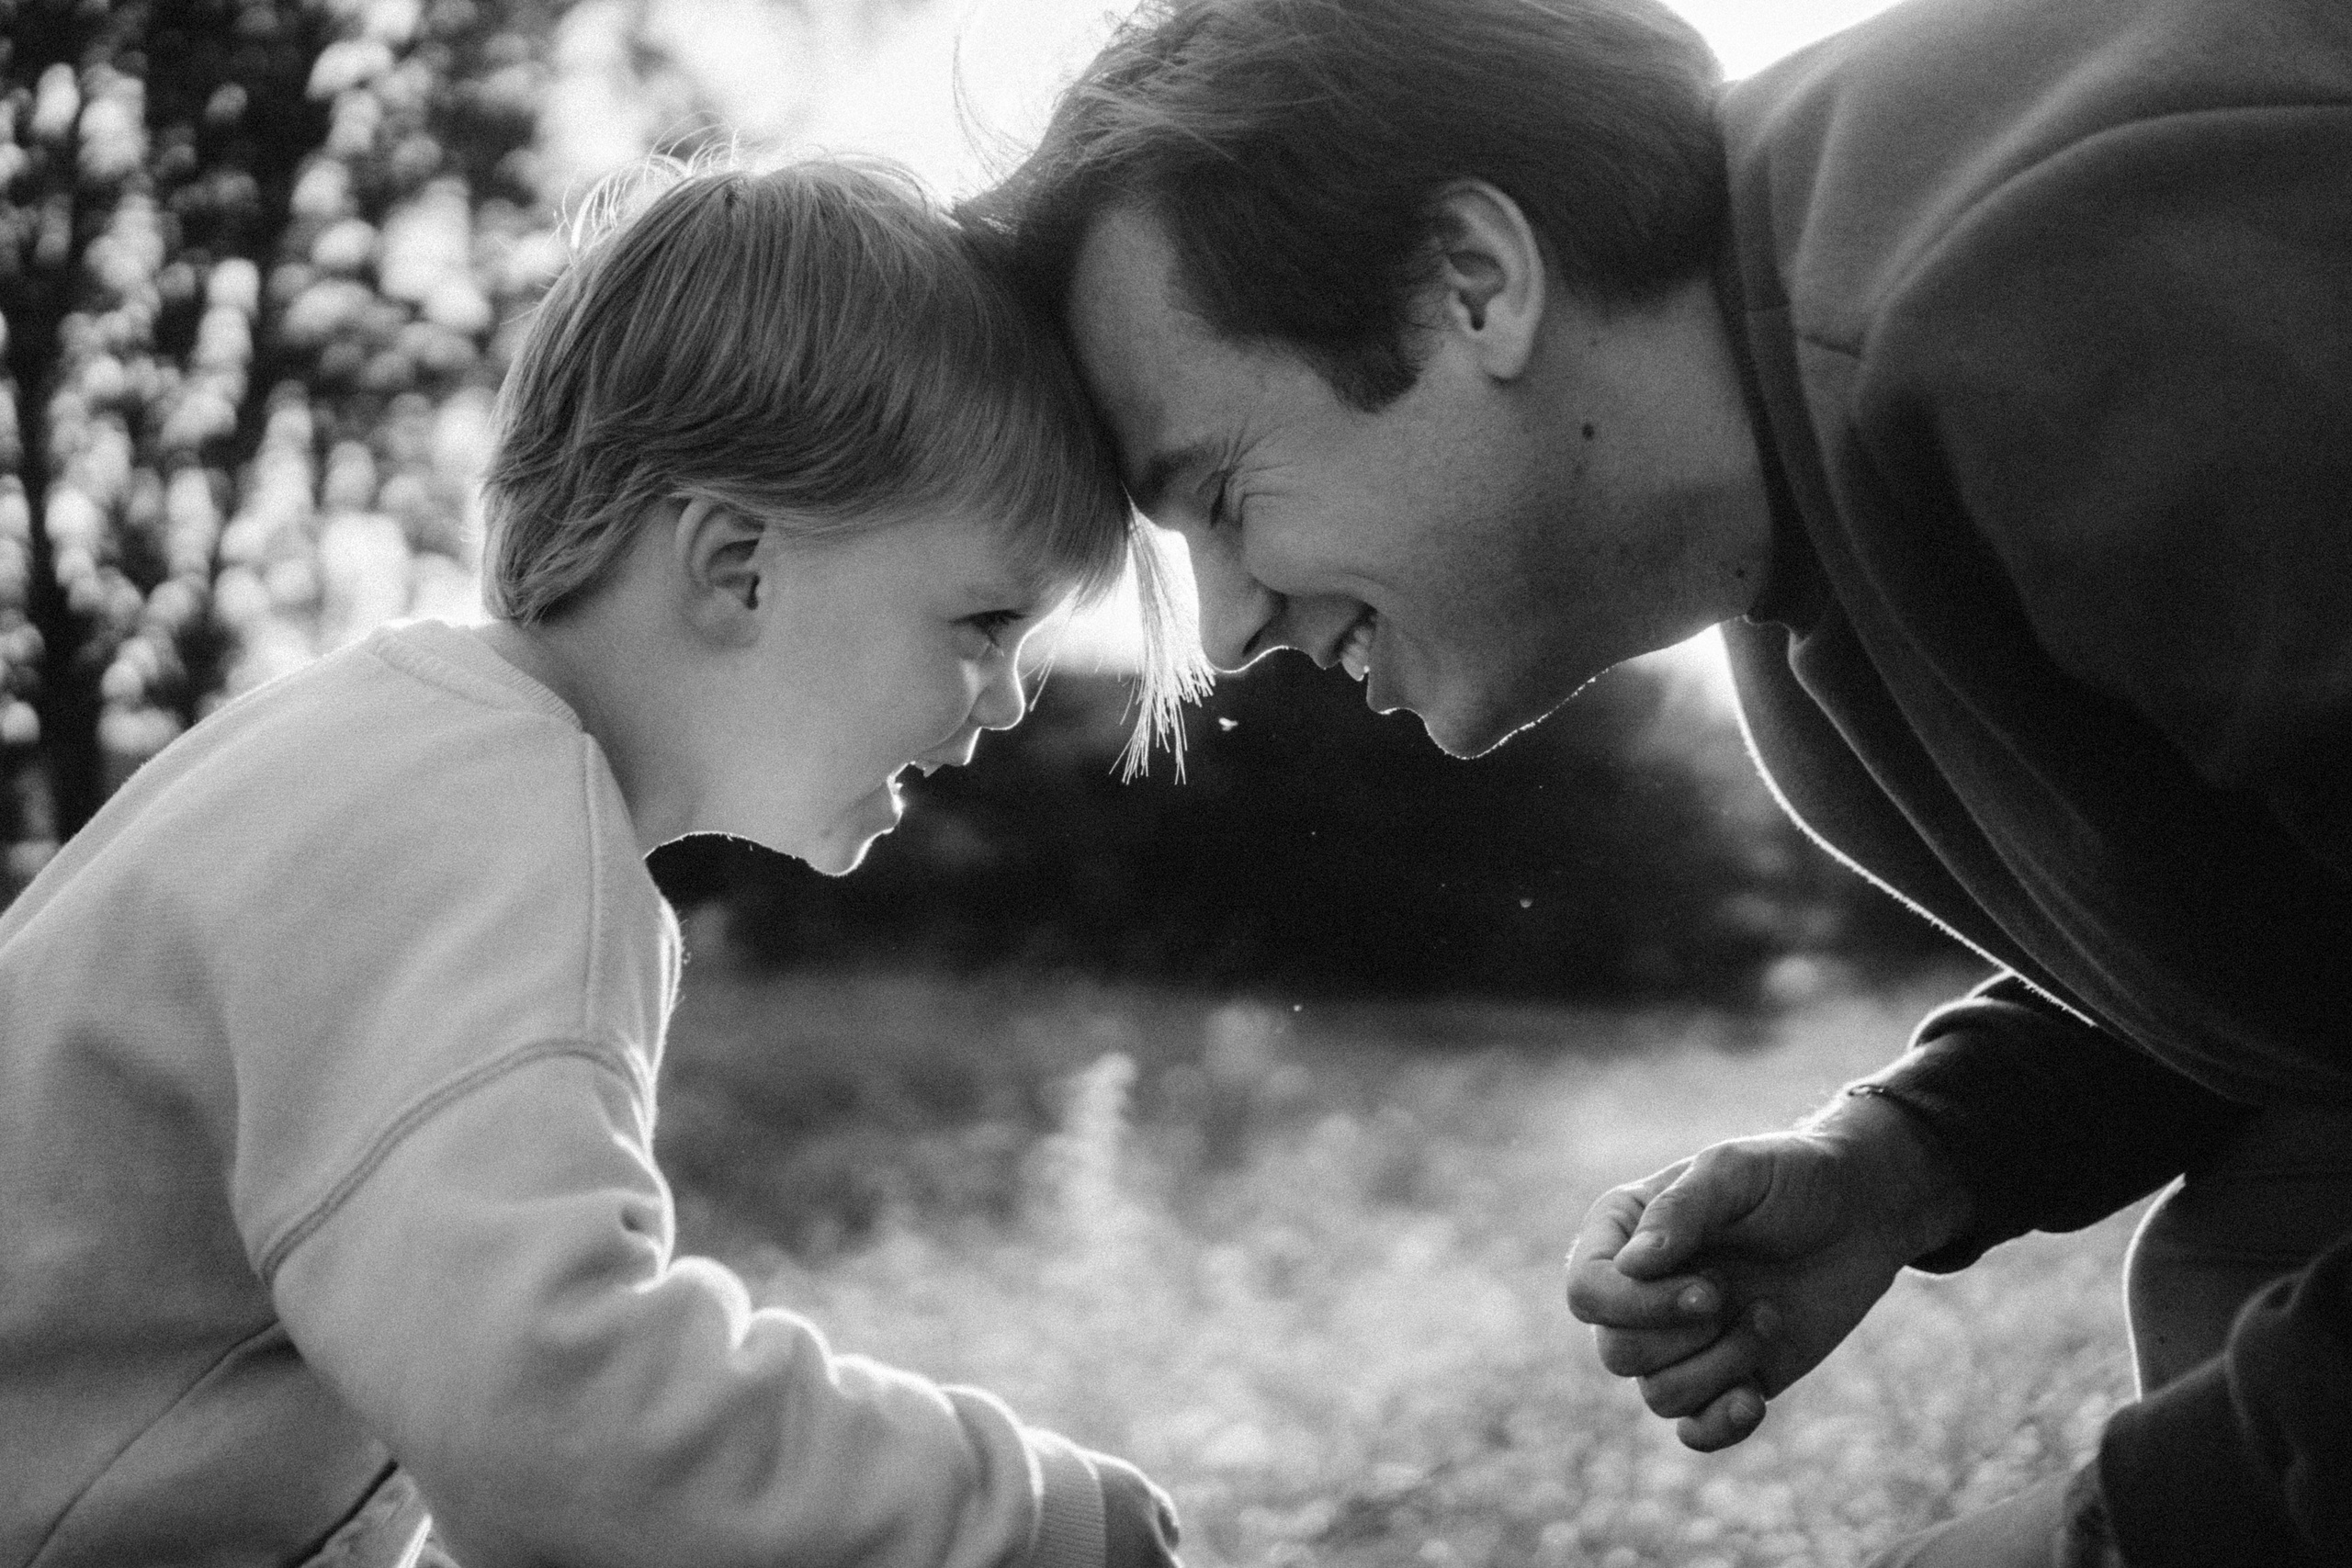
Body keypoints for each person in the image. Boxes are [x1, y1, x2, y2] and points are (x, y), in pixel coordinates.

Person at [962, 0, 2351, 1562]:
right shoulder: (1799, 571)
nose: (1220, 634)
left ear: (1468, 283)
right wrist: (1926, 1154)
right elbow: (2296, 909)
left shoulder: (2052, 277)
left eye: (1217, 491)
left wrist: (2137, 1531)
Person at [0, 154, 1199, 1568]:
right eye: (985, 623)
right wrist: (1027, 1522)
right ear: (737, 564)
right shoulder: (481, 822)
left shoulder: (382, 748)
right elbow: (558, 1417)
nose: (1005, 702)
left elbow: (456, 1395)